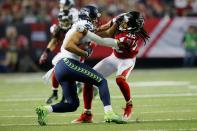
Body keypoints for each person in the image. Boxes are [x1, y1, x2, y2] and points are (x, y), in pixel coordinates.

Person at [35, 5, 128, 126]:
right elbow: (69, 45)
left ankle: (44, 110)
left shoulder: (83, 25)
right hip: (68, 63)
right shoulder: (85, 25)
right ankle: (109, 113)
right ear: (89, 16)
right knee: (101, 81)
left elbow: (105, 34)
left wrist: (115, 22)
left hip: (61, 67)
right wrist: (84, 53)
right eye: (95, 17)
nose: (96, 20)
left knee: (72, 104)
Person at [72, 11, 150, 123]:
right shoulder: (122, 18)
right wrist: (95, 30)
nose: (123, 23)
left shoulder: (128, 38)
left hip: (126, 61)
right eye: (124, 21)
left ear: (133, 27)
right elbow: (108, 26)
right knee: (88, 79)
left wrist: (86, 33)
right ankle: (87, 114)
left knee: (120, 80)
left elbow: (104, 39)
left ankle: (129, 104)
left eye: (126, 23)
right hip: (114, 57)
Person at [39, 0, 79, 104]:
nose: (63, 23)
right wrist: (46, 52)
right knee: (57, 68)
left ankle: (68, 93)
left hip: (77, 53)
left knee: (69, 74)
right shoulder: (61, 25)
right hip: (66, 52)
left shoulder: (76, 24)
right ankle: (56, 93)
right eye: (62, 21)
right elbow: (55, 39)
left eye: (66, 21)